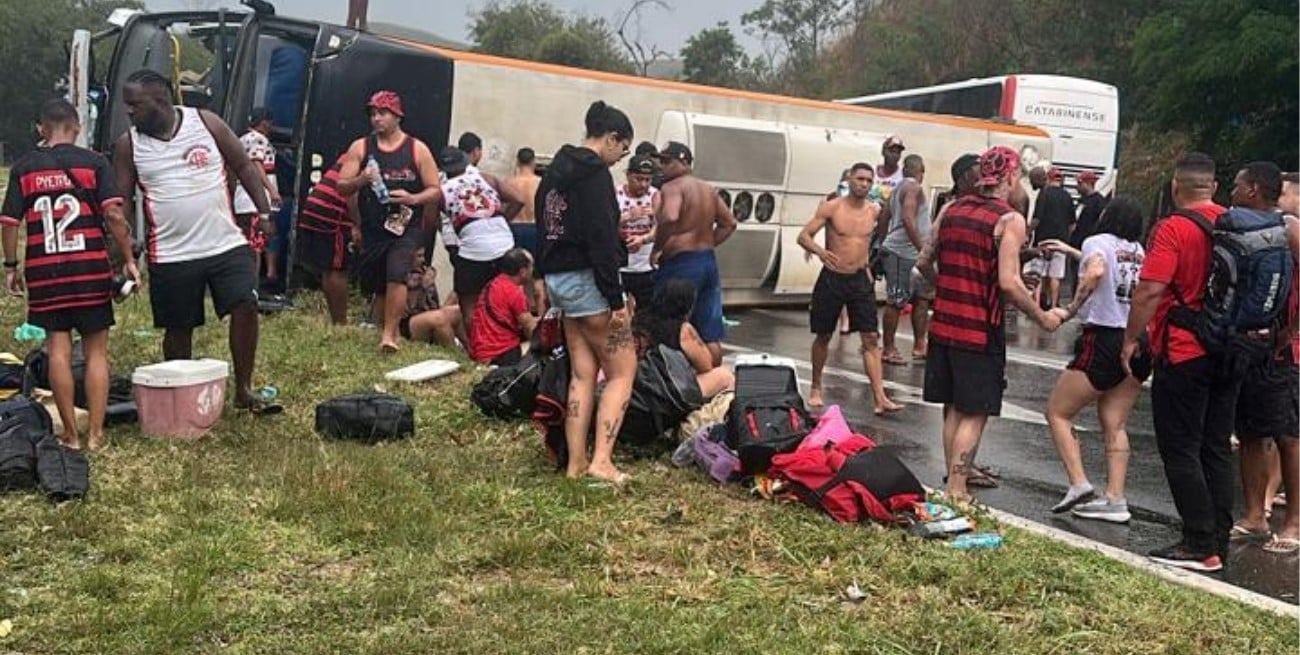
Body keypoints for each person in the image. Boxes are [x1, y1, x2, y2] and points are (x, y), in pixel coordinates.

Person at [113, 69, 281, 415]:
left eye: (135, 104)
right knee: (179, 328)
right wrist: (123, 246)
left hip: (224, 242)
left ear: (160, 100)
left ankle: (244, 389)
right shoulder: (129, 145)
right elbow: (123, 200)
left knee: (246, 305)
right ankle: (180, 391)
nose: (129, 111)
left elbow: (245, 166)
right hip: (171, 252)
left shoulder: (206, 123)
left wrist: (264, 213)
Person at [917, 146, 1063, 502]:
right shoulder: (1008, 220)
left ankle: (953, 484)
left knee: (952, 406)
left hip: (944, 326)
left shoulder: (951, 209)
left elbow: (923, 261)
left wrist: (947, 286)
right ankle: (956, 488)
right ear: (1011, 177)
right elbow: (1009, 283)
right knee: (976, 409)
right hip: (979, 329)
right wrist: (1043, 316)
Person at [1, 99, 139, 450]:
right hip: (90, 268)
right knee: (96, 352)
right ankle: (96, 433)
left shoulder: (24, 168)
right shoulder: (95, 163)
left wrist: (11, 266)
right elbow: (114, 216)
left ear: (42, 129)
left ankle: (71, 436)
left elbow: (9, 223)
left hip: (46, 273)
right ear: (77, 128)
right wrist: (128, 258)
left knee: (58, 351)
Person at [1121, 152, 1236, 572]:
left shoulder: (1172, 228)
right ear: (1214, 186)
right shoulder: (1233, 222)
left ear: (1175, 186)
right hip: (1229, 349)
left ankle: (1198, 542)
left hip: (1184, 349)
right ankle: (1219, 537)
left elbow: (1150, 290)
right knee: (1216, 445)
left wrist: (1132, 339)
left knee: (1180, 446)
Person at [536, 100, 637, 485]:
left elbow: (546, 224)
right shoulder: (594, 175)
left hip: (560, 280)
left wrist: (546, 279)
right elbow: (600, 239)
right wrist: (616, 300)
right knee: (622, 371)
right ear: (610, 137)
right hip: (589, 282)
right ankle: (602, 461)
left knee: (583, 373)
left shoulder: (556, 172)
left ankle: (576, 464)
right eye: (622, 149)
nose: (619, 159)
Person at [1037, 196, 1149, 523]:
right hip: (1137, 340)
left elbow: (1097, 269)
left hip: (1103, 337)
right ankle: (1115, 498)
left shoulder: (1095, 242)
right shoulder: (1139, 251)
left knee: (1058, 412)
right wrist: (1072, 252)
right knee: (1115, 423)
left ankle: (1079, 482)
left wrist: (1070, 309)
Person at [1225, 163, 1299, 554]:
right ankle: (1255, 516)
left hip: (1284, 348)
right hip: (1257, 342)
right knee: (1253, 430)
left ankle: (1294, 523)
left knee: (1288, 434)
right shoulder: (1251, 227)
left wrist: (1292, 329)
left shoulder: (1290, 227)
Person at [337, 90, 442, 353]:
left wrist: (413, 197)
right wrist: (361, 180)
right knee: (378, 280)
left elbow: (435, 189)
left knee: (397, 274)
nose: (376, 119)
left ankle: (389, 335)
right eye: (373, 114)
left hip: (406, 225)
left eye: (382, 113)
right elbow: (342, 186)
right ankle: (383, 325)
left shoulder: (417, 149)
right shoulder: (361, 147)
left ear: (397, 116)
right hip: (374, 225)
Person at [797, 162, 903, 414]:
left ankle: (880, 397)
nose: (864, 184)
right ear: (850, 179)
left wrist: (870, 264)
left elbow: (876, 238)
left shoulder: (874, 211)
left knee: (870, 338)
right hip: (833, 278)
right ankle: (815, 386)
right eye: (860, 179)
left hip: (858, 279)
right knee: (823, 335)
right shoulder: (832, 207)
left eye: (868, 180)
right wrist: (821, 252)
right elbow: (804, 236)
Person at [654, 141, 738, 367]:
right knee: (709, 331)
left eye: (666, 161)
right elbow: (729, 223)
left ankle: (671, 379)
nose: (661, 166)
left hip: (680, 264)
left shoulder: (672, 187)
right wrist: (708, 243)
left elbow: (670, 218)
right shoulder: (708, 189)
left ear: (683, 162)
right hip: (706, 261)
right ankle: (715, 382)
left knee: (669, 327)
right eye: (660, 161)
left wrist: (658, 248)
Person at [435, 146, 520, 338]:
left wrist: (452, 237)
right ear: (465, 164)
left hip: (473, 251)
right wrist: (502, 220)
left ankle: (480, 351)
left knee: (469, 304)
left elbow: (431, 221)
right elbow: (518, 199)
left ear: (443, 170)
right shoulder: (486, 178)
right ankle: (506, 344)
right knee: (505, 299)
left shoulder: (441, 191)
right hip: (505, 245)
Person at [633, 278, 736, 399]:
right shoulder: (683, 330)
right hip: (667, 390)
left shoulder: (637, 320)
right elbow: (706, 366)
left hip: (636, 385)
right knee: (724, 375)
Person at [879, 154, 931, 365]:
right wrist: (921, 248)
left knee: (921, 299)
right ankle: (888, 349)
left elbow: (884, 216)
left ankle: (920, 345)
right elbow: (908, 217)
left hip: (906, 253)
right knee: (897, 300)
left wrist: (883, 242)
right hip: (904, 253)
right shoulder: (913, 188)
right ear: (922, 171)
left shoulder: (898, 188)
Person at [295, 154, 358, 325]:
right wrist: (358, 224)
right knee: (337, 269)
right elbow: (352, 193)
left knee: (330, 269)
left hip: (318, 206)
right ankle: (340, 323)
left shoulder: (357, 150)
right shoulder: (368, 154)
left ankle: (336, 320)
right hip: (333, 212)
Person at [232, 107, 282, 287]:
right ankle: (251, 286)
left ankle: (259, 280)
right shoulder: (258, 139)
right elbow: (256, 164)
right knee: (255, 244)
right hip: (253, 200)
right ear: (264, 123)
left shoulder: (242, 139)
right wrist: (272, 190)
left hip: (242, 198)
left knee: (254, 240)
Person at [468, 248, 537, 366]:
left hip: (482, 354)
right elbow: (529, 327)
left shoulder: (492, 284)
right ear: (523, 271)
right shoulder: (514, 292)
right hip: (502, 355)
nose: (533, 270)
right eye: (531, 266)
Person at [618, 154, 661, 312]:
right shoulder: (616, 194)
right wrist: (627, 217)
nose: (643, 184)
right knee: (619, 315)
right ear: (628, 175)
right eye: (638, 179)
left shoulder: (655, 195)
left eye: (648, 179)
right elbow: (604, 228)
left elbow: (661, 228)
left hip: (645, 266)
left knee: (646, 313)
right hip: (621, 266)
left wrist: (643, 239)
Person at [1030, 167, 1076, 309]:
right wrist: (1065, 238)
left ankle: (1036, 304)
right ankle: (1054, 305)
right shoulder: (1067, 196)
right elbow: (1072, 224)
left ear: (1048, 179)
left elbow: (1037, 218)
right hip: (1060, 242)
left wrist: (1028, 231)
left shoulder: (1044, 194)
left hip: (1043, 240)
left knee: (1038, 274)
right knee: (1055, 276)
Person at [506, 147, 545, 310]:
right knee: (537, 278)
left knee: (514, 277)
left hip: (514, 228)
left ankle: (517, 319)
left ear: (517, 161)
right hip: (534, 228)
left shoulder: (509, 182)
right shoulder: (540, 183)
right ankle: (542, 320)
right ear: (533, 162)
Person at [400, 247, 461, 350]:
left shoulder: (425, 271)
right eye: (419, 256)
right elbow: (408, 309)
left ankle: (471, 351)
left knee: (458, 310)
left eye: (423, 256)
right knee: (439, 319)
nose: (423, 260)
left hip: (430, 312)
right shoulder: (399, 276)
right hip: (407, 322)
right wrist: (421, 285)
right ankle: (455, 352)